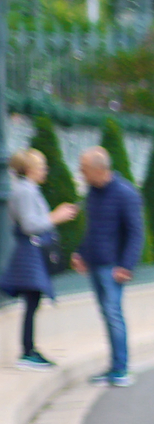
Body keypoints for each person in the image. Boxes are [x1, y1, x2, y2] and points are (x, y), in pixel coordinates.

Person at [69, 146, 144, 388]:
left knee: (114, 316)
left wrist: (126, 265)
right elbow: (92, 229)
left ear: (98, 169)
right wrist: (81, 253)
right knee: (108, 315)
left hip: (113, 268)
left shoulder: (125, 193)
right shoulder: (92, 192)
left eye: (84, 170)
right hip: (95, 264)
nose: (81, 174)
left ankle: (121, 369)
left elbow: (136, 233)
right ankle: (114, 367)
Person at [4, 148, 79, 370]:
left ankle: (29, 349)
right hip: (29, 252)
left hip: (30, 251)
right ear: (30, 169)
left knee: (33, 301)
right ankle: (28, 351)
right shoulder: (26, 191)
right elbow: (29, 225)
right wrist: (56, 216)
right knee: (32, 300)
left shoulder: (26, 189)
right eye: (41, 166)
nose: (44, 170)